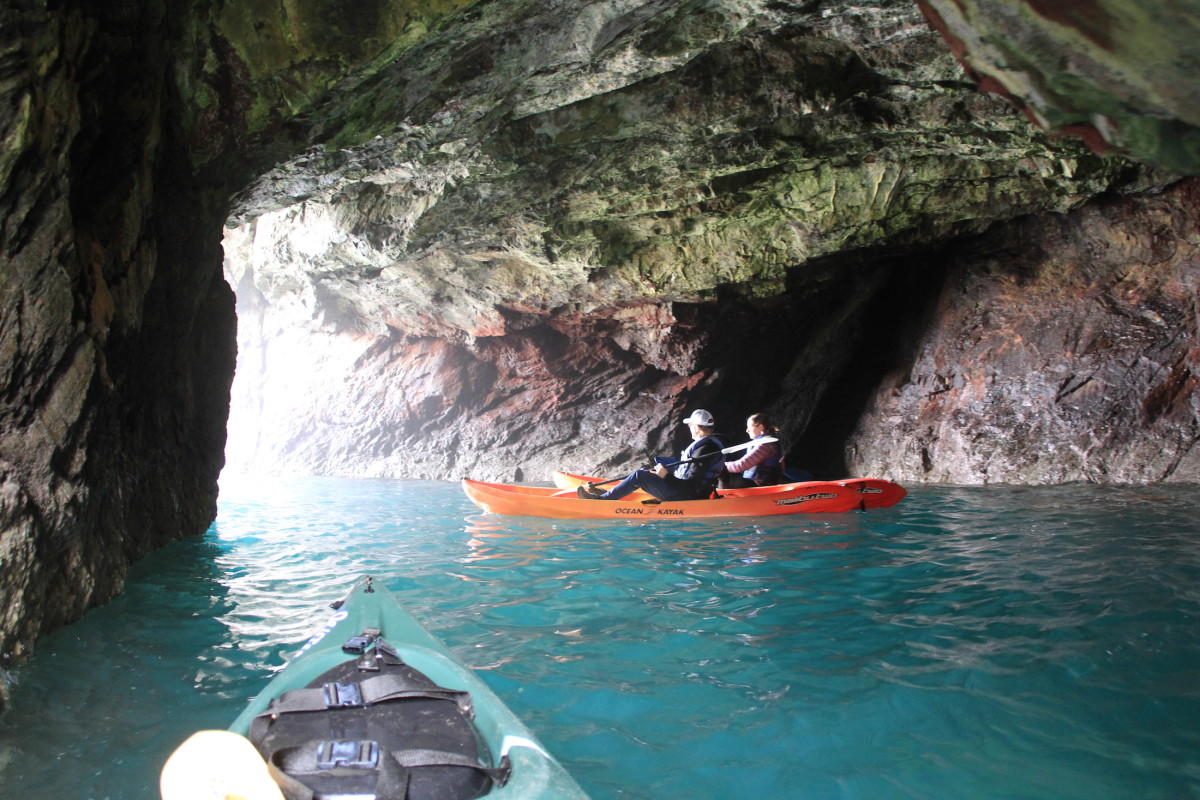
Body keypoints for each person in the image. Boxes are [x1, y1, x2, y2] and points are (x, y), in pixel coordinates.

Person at [578, 409, 727, 501]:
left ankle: (603, 500)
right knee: (644, 471)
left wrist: (666, 476)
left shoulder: (705, 449)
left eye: (690, 425)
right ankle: (607, 494)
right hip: (691, 492)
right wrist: (666, 470)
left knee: (640, 476)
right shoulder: (708, 446)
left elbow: (693, 486)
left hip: (689, 497)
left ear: (698, 427)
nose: (689, 428)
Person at [719, 413, 785, 488]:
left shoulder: (766, 444)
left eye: (750, 427)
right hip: (755, 484)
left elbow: (740, 466)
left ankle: (717, 499)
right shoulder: (765, 442)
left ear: (761, 427)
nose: (747, 430)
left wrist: (717, 466)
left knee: (721, 477)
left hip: (760, 486)